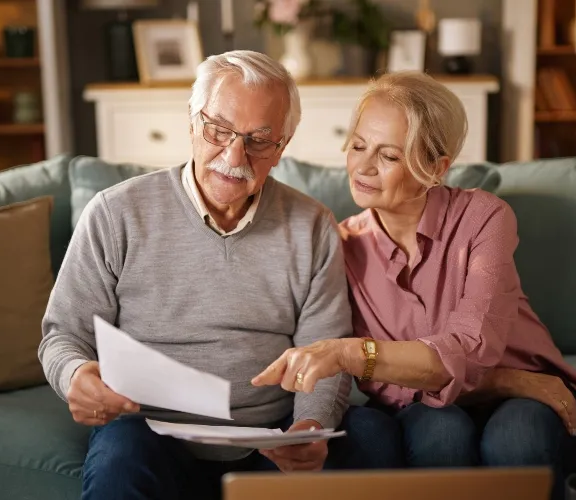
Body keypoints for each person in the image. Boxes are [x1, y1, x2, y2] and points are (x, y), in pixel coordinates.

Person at [38, 50, 377, 500]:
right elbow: (62, 334)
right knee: (121, 457)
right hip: (148, 429)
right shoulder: (115, 212)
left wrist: (309, 427)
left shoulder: (312, 226)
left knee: (370, 439)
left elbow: (324, 357)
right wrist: (75, 375)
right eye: (219, 129)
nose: (233, 155)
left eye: (259, 140)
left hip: (269, 437)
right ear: (193, 122)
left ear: (282, 146)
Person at [252, 71, 576, 500]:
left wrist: (358, 357)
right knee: (441, 429)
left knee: (516, 436)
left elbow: (471, 347)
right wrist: (505, 380)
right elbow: (384, 387)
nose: (363, 167)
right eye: (359, 146)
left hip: (535, 395)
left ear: (436, 168)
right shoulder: (341, 245)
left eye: (389, 156)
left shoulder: (484, 218)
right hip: (444, 403)